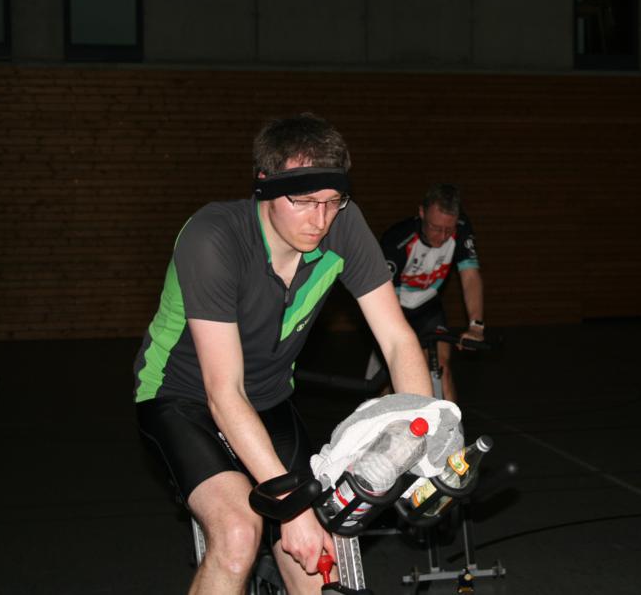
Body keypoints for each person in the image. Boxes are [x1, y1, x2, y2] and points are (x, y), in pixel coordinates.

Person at [133, 114, 433, 594]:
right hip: (183, 398)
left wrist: (423, 436)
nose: (320, 220)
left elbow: (398, 340)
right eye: (304, 202)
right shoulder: (213, 238)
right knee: (238, 533)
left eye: (332, 201)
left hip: (269, 399)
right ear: (265, 187)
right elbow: (223, 393)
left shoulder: (344, 225)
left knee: (324, 554)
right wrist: (291, 507)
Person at [376, 183, 484, 401]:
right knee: (399, 378)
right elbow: (385, 298)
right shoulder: (397, 239)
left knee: (441, 369)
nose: (442, 236)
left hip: (428, 306)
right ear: (422, 213)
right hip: (394, 308)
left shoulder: (462, 228)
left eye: (448, 229)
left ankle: (451, 423)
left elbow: (470, 277)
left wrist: (476, 326)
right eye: (435, 228)